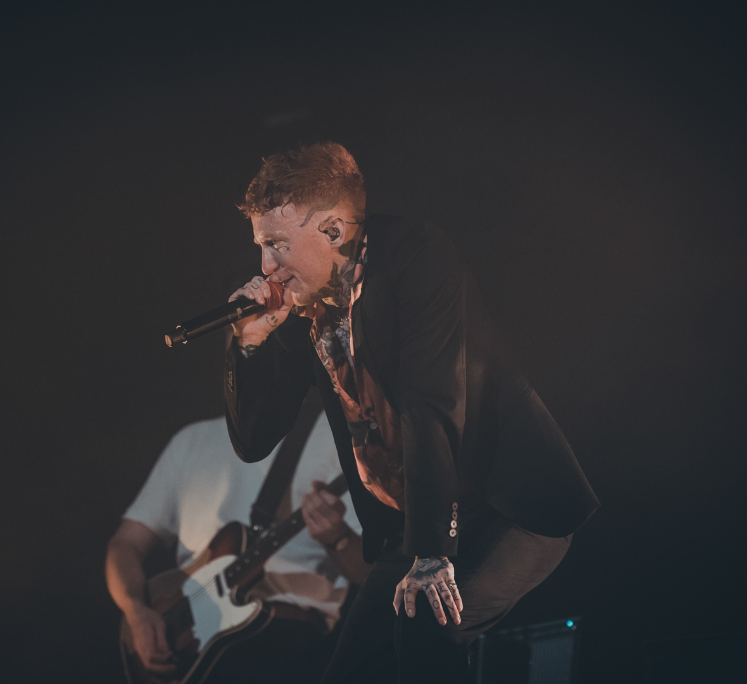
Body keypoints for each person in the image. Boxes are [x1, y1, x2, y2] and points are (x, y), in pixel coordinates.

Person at [223, 142, 600, 683]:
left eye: (278, 245)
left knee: (428, 624)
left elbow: (431, 402)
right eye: (262, 246)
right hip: (416, 520)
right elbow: (254, 440)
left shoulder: (413, 255)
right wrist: (250, 344)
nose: (266, 267)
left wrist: (429, 554)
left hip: (507, 506)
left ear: (333, 230)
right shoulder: (303, 303)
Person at [105, 403, 370, 684]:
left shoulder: (337, 437)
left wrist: (337, 538)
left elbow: (367, 574)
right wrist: (135, 610)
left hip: (286, 642)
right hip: (191, 645)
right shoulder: (191, 440)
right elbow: (125, 544)